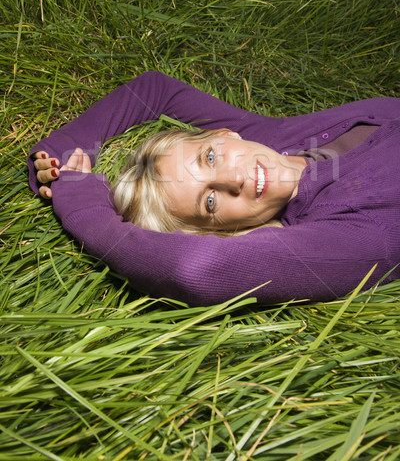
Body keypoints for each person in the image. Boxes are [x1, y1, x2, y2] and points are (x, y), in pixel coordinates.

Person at [28, 71, 400, 306]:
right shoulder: (360, 230)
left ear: (225, 135)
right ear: (225, 231)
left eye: (209, 158)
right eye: (209, 201)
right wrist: (84, 207)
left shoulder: (273, 140)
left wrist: (62, 149)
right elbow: (196, 270)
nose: (232, 179)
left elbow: (156, 90)